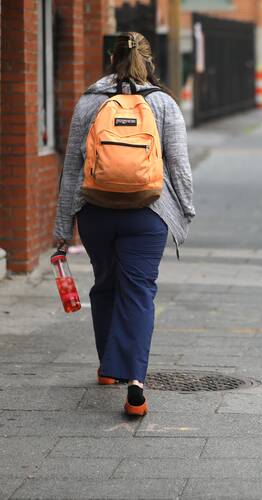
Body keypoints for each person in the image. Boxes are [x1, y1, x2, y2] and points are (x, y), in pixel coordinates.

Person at [54, 32, 195, 416]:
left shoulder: (88, 103)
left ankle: (107, 368)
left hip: (95, 211)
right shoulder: (164, 103)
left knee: (105, 284)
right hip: (147, 212)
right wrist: (185, 208)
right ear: (149, 62)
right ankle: (134, 380)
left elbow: (71, 169)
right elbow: (179, 165)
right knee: (138, 290)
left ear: (110, 58)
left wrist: (62, 228)